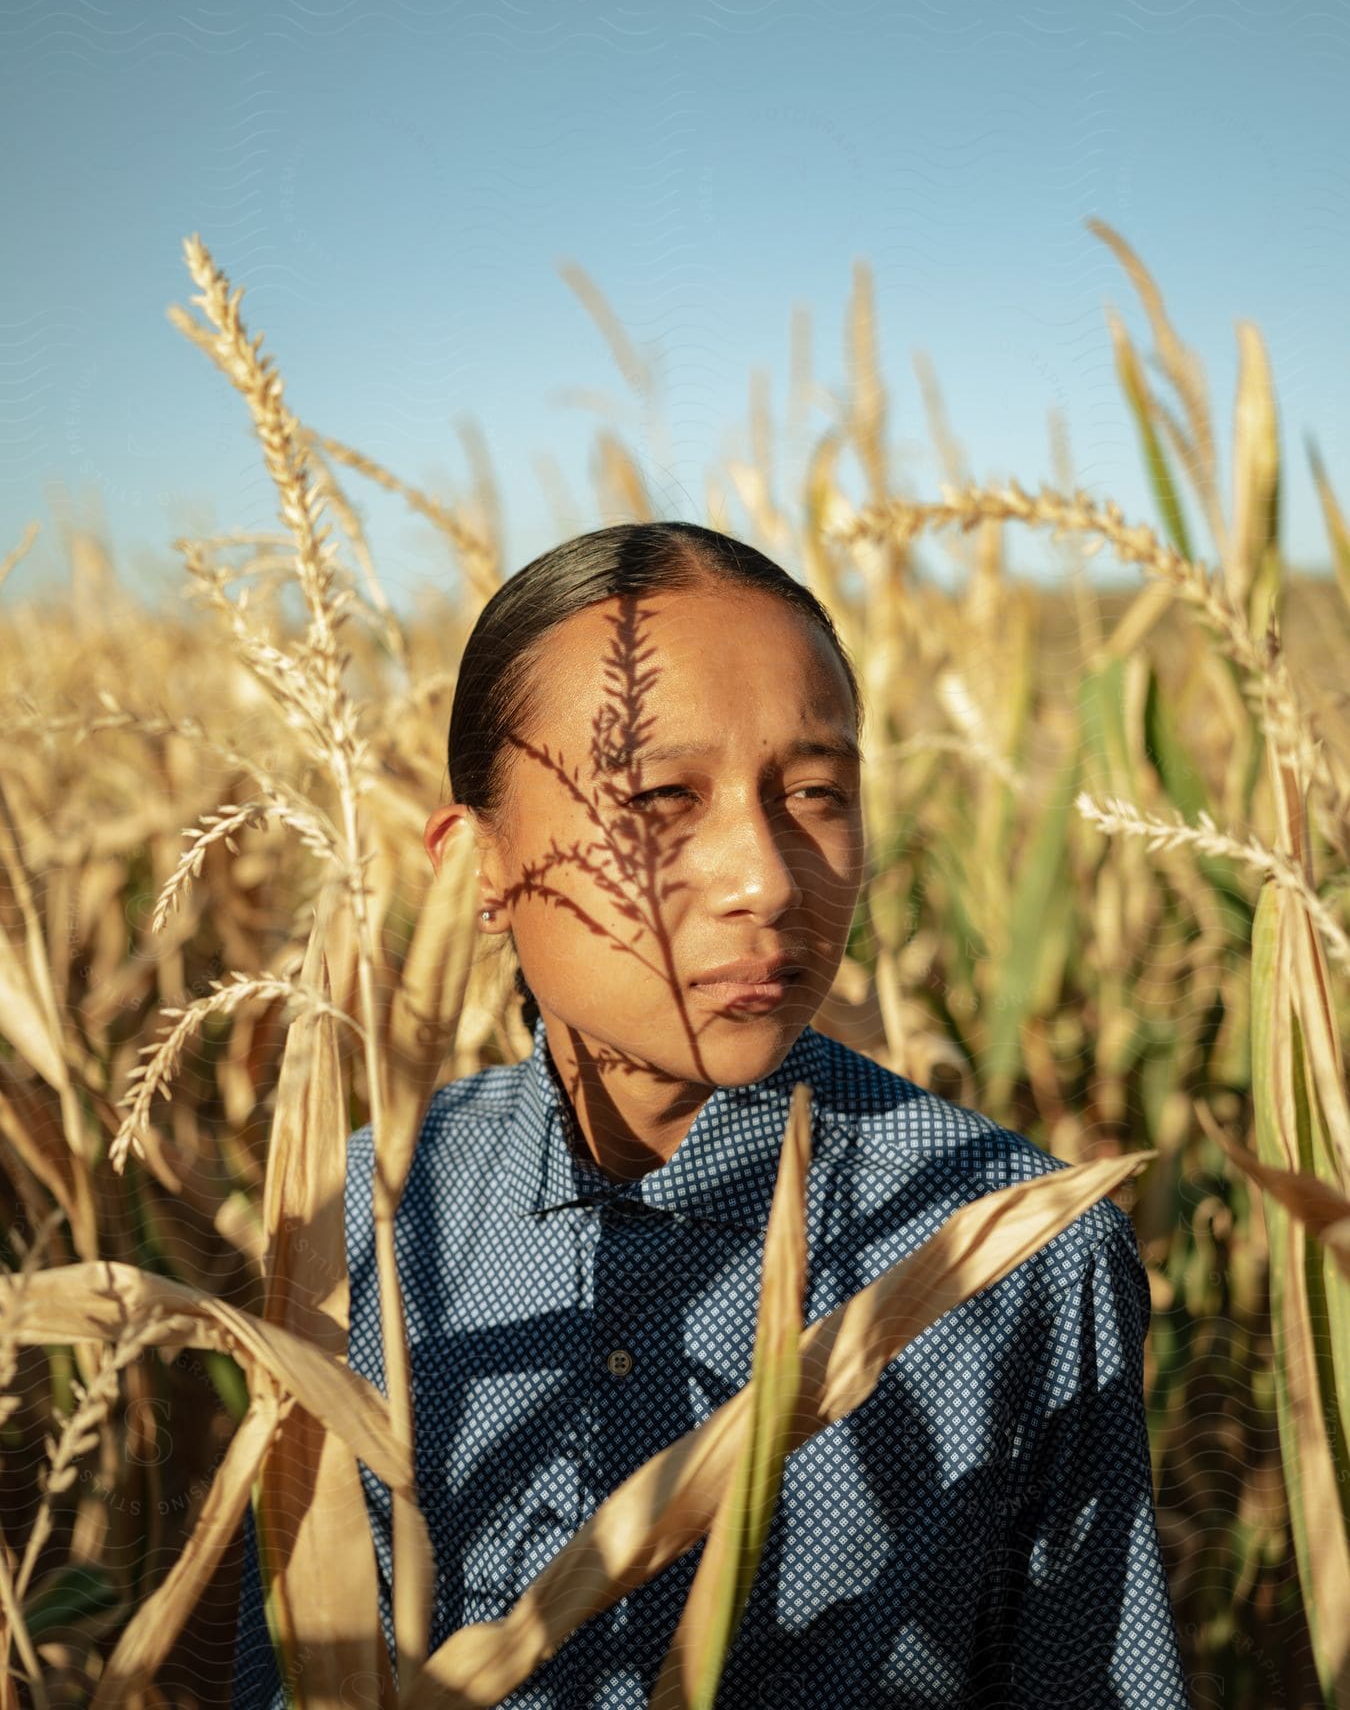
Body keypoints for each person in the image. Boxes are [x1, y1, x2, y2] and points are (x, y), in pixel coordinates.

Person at [233, 521, 1189, 1707]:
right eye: (657, 799)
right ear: (476, 863)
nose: (767, 877)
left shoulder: (1009, 1248)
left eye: (815, 792)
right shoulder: (363, 1233)